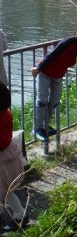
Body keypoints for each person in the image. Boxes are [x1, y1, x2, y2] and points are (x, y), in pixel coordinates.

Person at [30, 16, 77, 142]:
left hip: (59, 75)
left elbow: (70, 60)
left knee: (55, 100)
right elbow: (51, 55)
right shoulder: (68, 42)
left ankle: (44, 126)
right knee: (42, 100)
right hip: (45, 72)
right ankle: (36, 128)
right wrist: (38, 69)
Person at [0, 82, 28, 232]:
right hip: (10, 159)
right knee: (8, 193)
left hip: (2, 163)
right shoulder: (6, 113)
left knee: (3, 193)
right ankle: (20, 215)